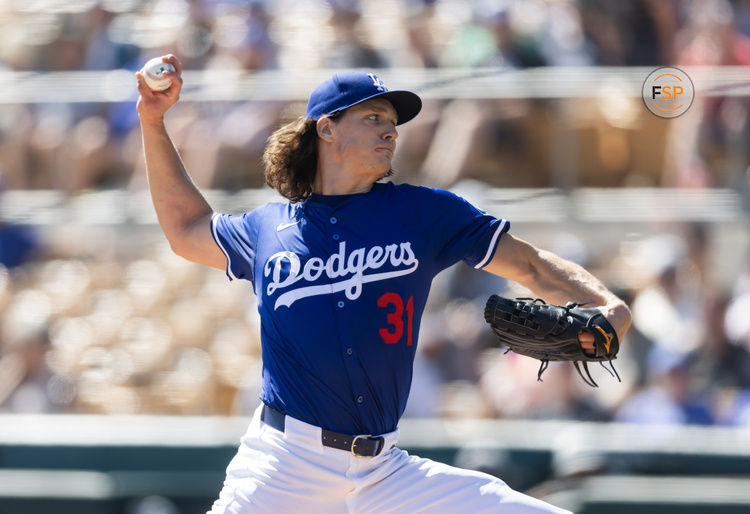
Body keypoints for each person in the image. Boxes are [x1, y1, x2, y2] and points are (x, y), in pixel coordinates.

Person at [135, 55, 631, 514]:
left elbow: (533, 266)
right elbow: (185, 229)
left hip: (384, 473)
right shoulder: (266, 228)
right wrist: (153, 122)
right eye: (372, 118)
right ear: (325, 128)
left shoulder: (423, 213)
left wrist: (604, 302)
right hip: (284, 466)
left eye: (392, 123)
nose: (389, 130)